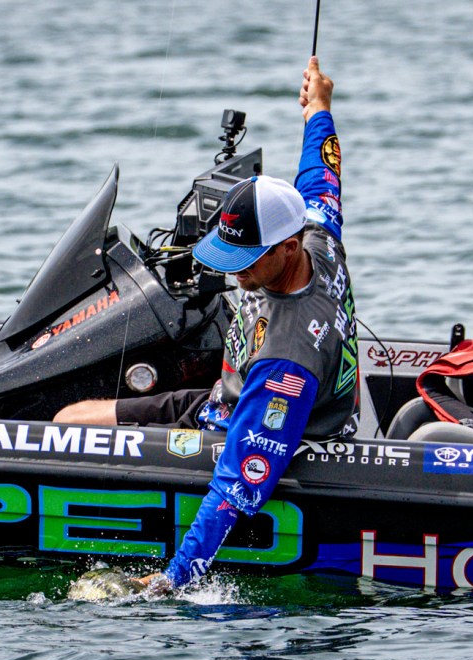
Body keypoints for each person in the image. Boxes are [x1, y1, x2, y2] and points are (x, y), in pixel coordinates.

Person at [53, 56, 358, 591]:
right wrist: (319, 108)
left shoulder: (286, 360)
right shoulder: (317, 231)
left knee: (71, 430)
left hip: (255, 427)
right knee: (67, 419)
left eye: (246, 261)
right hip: (221, 400)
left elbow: (238, 484)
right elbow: (321, 171)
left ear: (287, 248)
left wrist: (174, 579)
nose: (234, 274)